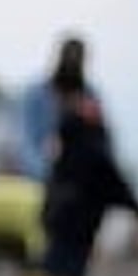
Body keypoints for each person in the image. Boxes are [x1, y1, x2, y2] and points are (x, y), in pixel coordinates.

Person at [39, 73, 138, 276]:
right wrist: (136, 206)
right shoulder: (92, 147)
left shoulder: (65, 146)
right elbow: (113, 183)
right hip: (77, 225)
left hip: (60, 220)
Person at [15, 35, 97, 182]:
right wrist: (46, 173)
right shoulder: (36, 94)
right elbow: (25, 141)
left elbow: (100, 141)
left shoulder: (89, 95)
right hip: (39, 176)